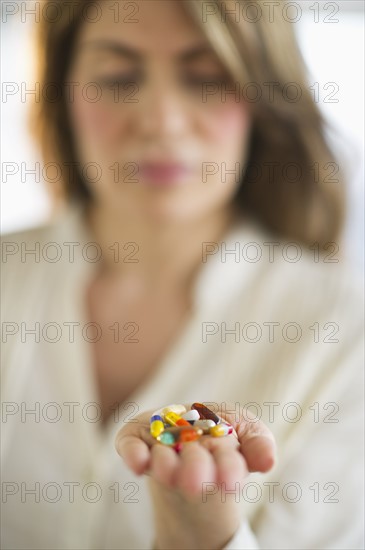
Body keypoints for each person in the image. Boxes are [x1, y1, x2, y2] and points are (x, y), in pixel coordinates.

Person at [1, 1, 363, 549]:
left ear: (263, 99)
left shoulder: (345, 330)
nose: (161, 120)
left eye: (206, 78)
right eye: (118, 76)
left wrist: (204, 539)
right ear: (62, 91)